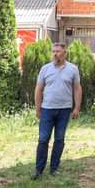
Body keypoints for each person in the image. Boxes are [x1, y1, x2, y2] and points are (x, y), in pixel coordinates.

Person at [33, 42, 81, 179]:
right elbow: (38, 89)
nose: (55, 54)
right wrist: (38, 108)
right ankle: (38, 170)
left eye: (58, 51)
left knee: (59, 139)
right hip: (47, 109)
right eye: (53, 51)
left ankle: (54, 168)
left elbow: (77, 88)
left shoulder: (73, 69)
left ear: (64, 53)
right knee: (43, 139)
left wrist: (77, 108)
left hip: (64, 110)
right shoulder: (45, 69)